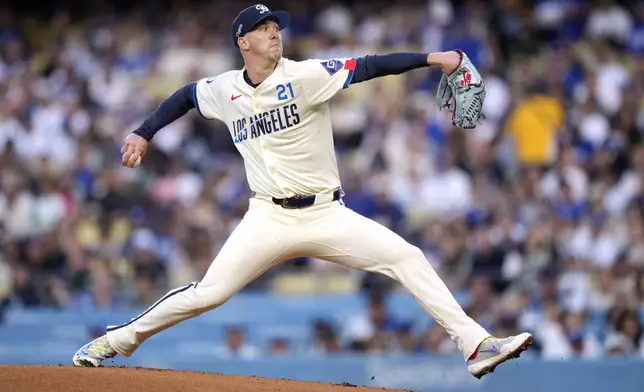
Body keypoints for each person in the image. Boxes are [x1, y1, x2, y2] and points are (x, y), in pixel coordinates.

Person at [72, 4, 532, 379]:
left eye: (277, 26)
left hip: (327, 213)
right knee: (208, 294)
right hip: (267, 217)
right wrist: (143, 131)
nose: (274, 33)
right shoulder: (224, 88)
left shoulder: (306, 75)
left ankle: (476, 345)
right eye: (263, 28)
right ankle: (116, 340)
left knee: (406, 256)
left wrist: (437, 58)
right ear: (242, 41)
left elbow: (369, 66)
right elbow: (186, 96)